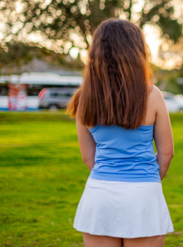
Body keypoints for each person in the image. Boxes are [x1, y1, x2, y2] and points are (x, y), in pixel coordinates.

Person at [67, 19, 174, 247]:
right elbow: (167, 153)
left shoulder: (83, 98)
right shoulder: (152, 94)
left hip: (100, 195)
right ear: (137, 51)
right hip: (144, 195)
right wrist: (148, 180)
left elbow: (89, 157)